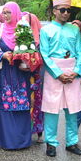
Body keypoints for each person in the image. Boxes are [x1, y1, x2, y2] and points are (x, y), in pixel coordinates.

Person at [40, 0, 81, 157]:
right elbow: (44, 54)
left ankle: (72, 142)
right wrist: (58, 74)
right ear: (54, 11)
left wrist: (76, 71)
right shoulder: (46, 30)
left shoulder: (74, 29)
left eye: (69, 10)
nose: (66, 13)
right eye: (63, 10)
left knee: (72, 110)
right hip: (54, 72)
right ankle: (51, 143)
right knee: (51, 109)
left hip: (72, 71)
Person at [0, 2, 32, 150]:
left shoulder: (24, 29)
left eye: (8, 12)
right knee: (5, 107)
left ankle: (23, 141)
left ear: (16, 13)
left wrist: (25, 57)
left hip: (20, 74)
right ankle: (8, 142)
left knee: (21, 106)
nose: (5, 16)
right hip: (4, 74)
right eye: (3, 12)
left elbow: (32, 49)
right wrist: (2, 55)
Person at [21, 12, 44, 143]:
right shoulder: (21, 38)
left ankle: (39, 131)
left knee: (38, 104)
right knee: (26, 102)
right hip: (24, 76)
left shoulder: (41, 39)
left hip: (37, 77)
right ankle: (26, 131)